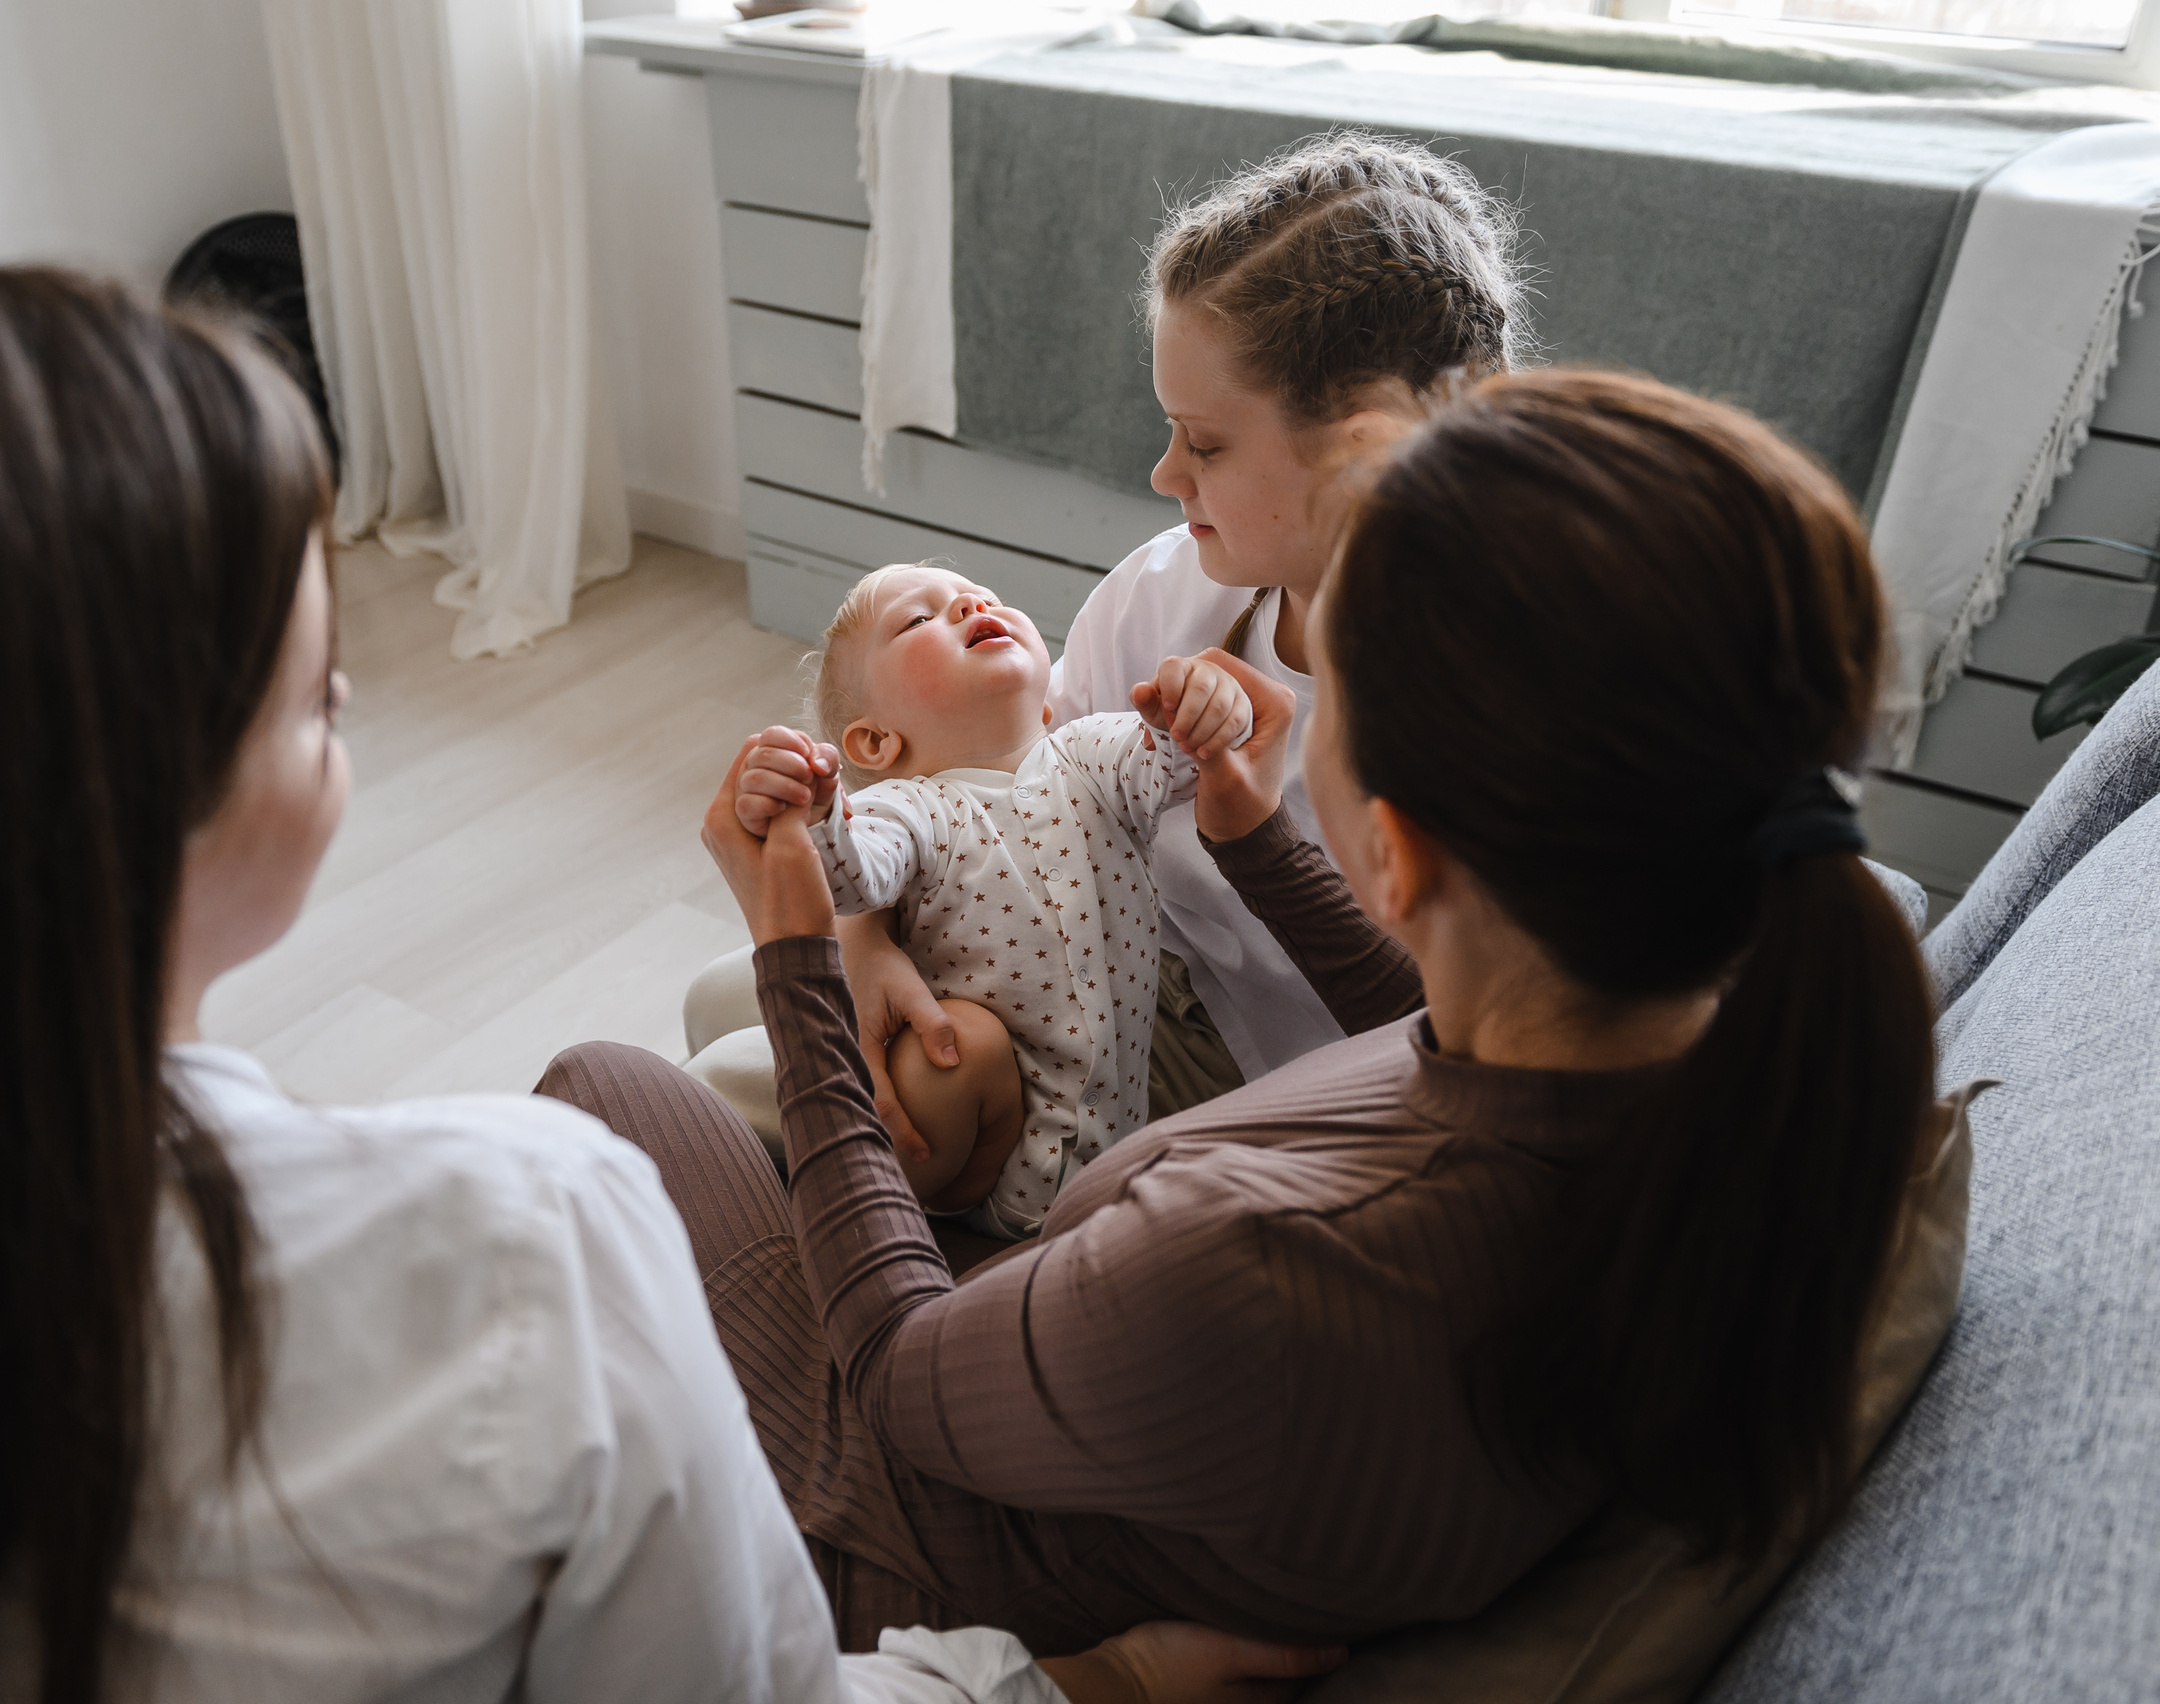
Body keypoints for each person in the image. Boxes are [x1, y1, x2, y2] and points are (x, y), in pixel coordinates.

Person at [0, 266, 1341, 1704]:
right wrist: (1086, 1677)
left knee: (657, 1047)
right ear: (124, 796)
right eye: (314, 673)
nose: (347, 683)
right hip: (965, 1416)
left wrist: (861, 933)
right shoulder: (515, 1247)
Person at [544, 369, 1936, 1654]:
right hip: (1131, 1415)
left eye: (1325, 675)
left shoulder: (1268, 1263)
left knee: (603, 1086)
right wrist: (1262, 835)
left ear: (1398, 854)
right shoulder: (1733, 1010)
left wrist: (796, 950)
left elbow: (906, 1385)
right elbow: (1410, 1034)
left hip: (933, 1538)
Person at [688, 130, 1526, 1143]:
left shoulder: (1474, 711)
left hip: (1240, 1062)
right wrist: (866, 938)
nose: (1164, 475)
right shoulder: (1165, 588)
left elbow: (1447, 1039)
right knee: (714, 998)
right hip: (1083, 943)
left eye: (1205, 442)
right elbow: (1011, 803)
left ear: (1360, 439)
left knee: (725, 1086)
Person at [735, 561, 1252, 1233]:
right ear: (875, 741)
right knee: (956, 1047)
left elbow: (1177, 761)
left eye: (982, 597)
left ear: (1044, 702)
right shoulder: (911, 807)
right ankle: (874, 1206)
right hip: (989, 1161)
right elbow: (850, 878)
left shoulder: (1089, 751)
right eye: (918, 619)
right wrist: (816, 807)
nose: (969, 603)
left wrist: (1208, 706)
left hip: (1121, 1146)